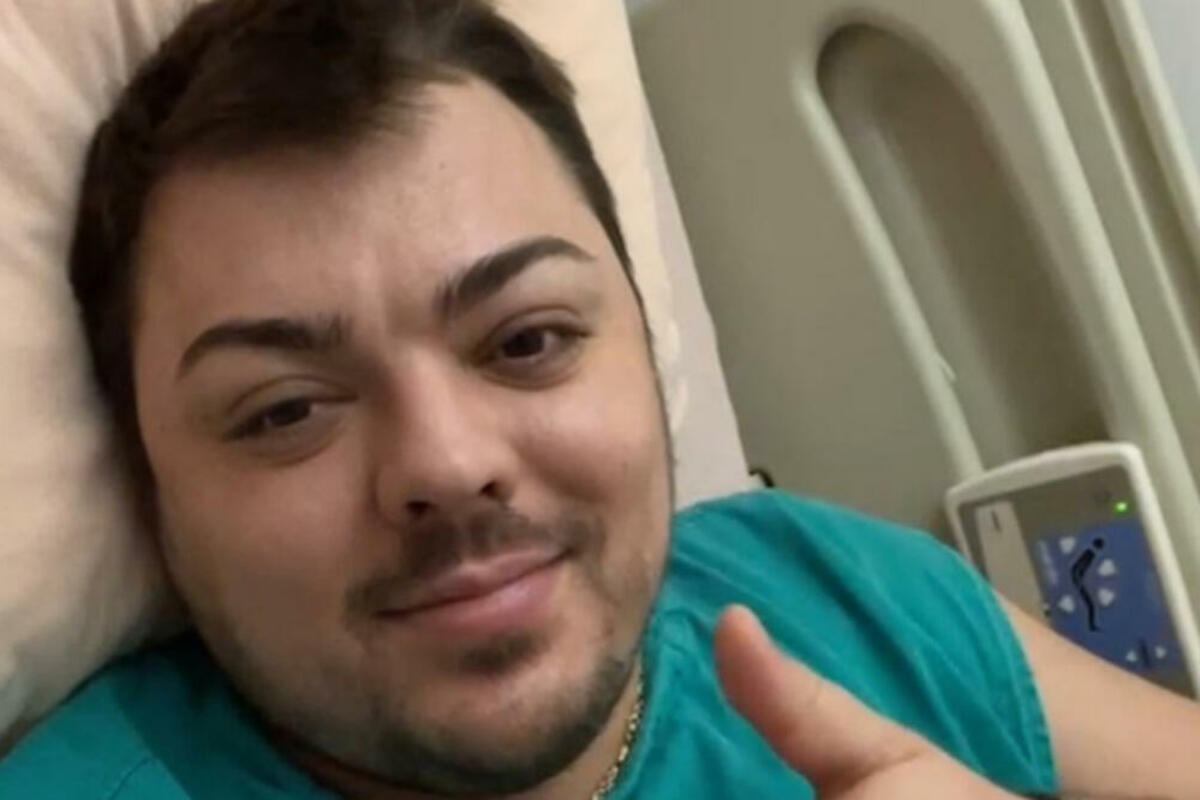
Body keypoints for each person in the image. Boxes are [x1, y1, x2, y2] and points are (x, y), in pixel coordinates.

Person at [2, 0, 1198, 797]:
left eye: (527, 339)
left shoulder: (842, 586)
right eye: (283, 410)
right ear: (152, 493)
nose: (446, 461)